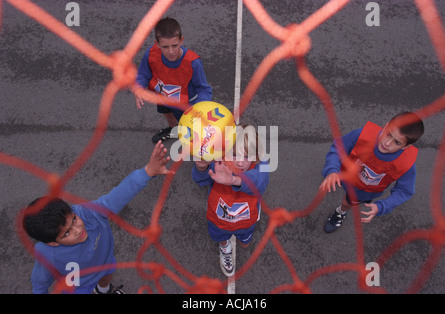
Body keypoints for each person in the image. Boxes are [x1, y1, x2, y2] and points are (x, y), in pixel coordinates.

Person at [23, 141, 173, 294]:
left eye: (74, 219)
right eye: (66, 233)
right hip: (79, 288)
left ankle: (103, 290)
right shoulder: (46, 254)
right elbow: (40, 283)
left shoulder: (88, 213)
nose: (78, 229)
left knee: (107, 277)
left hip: (105, 262)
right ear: (53, 243)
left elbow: (116, 196)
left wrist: (147, 172)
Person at [319, 111, 425, 233]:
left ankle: (340, 212)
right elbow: (339, 147)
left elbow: (404, 191)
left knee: (347, 202)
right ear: (385, 126)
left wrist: (382, 206)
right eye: (389, 134)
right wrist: (332, 169)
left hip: (364, 191)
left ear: (405, 147)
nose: (387, 143)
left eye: (397, 142)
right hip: (343, 175)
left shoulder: (406, 164)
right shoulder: (363, 135)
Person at [192, 125, 270, 276]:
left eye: (247, 156)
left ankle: (240, 239)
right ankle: (225, 248)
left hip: (247, 219)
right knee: (221, 236)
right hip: (219, 218)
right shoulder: (218, 162)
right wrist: (201, 168)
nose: (240, 163)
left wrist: (234, 180)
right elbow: (200, 181)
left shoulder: (261, 166)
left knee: (245, 242)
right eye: (234, 154)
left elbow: (260, 181)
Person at [135, 17, 212, 143]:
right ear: (157, 43)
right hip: (163, 95)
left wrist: (199, 108)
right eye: (165, 47)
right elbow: (143, 74)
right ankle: (173, 129)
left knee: (192, 131)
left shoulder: (193, 62)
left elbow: (204, 89)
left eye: (174, 46)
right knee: (168, 114)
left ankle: (197, 149)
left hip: (185, 103)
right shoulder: (151, 54)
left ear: (181, 40)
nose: (171, 52)